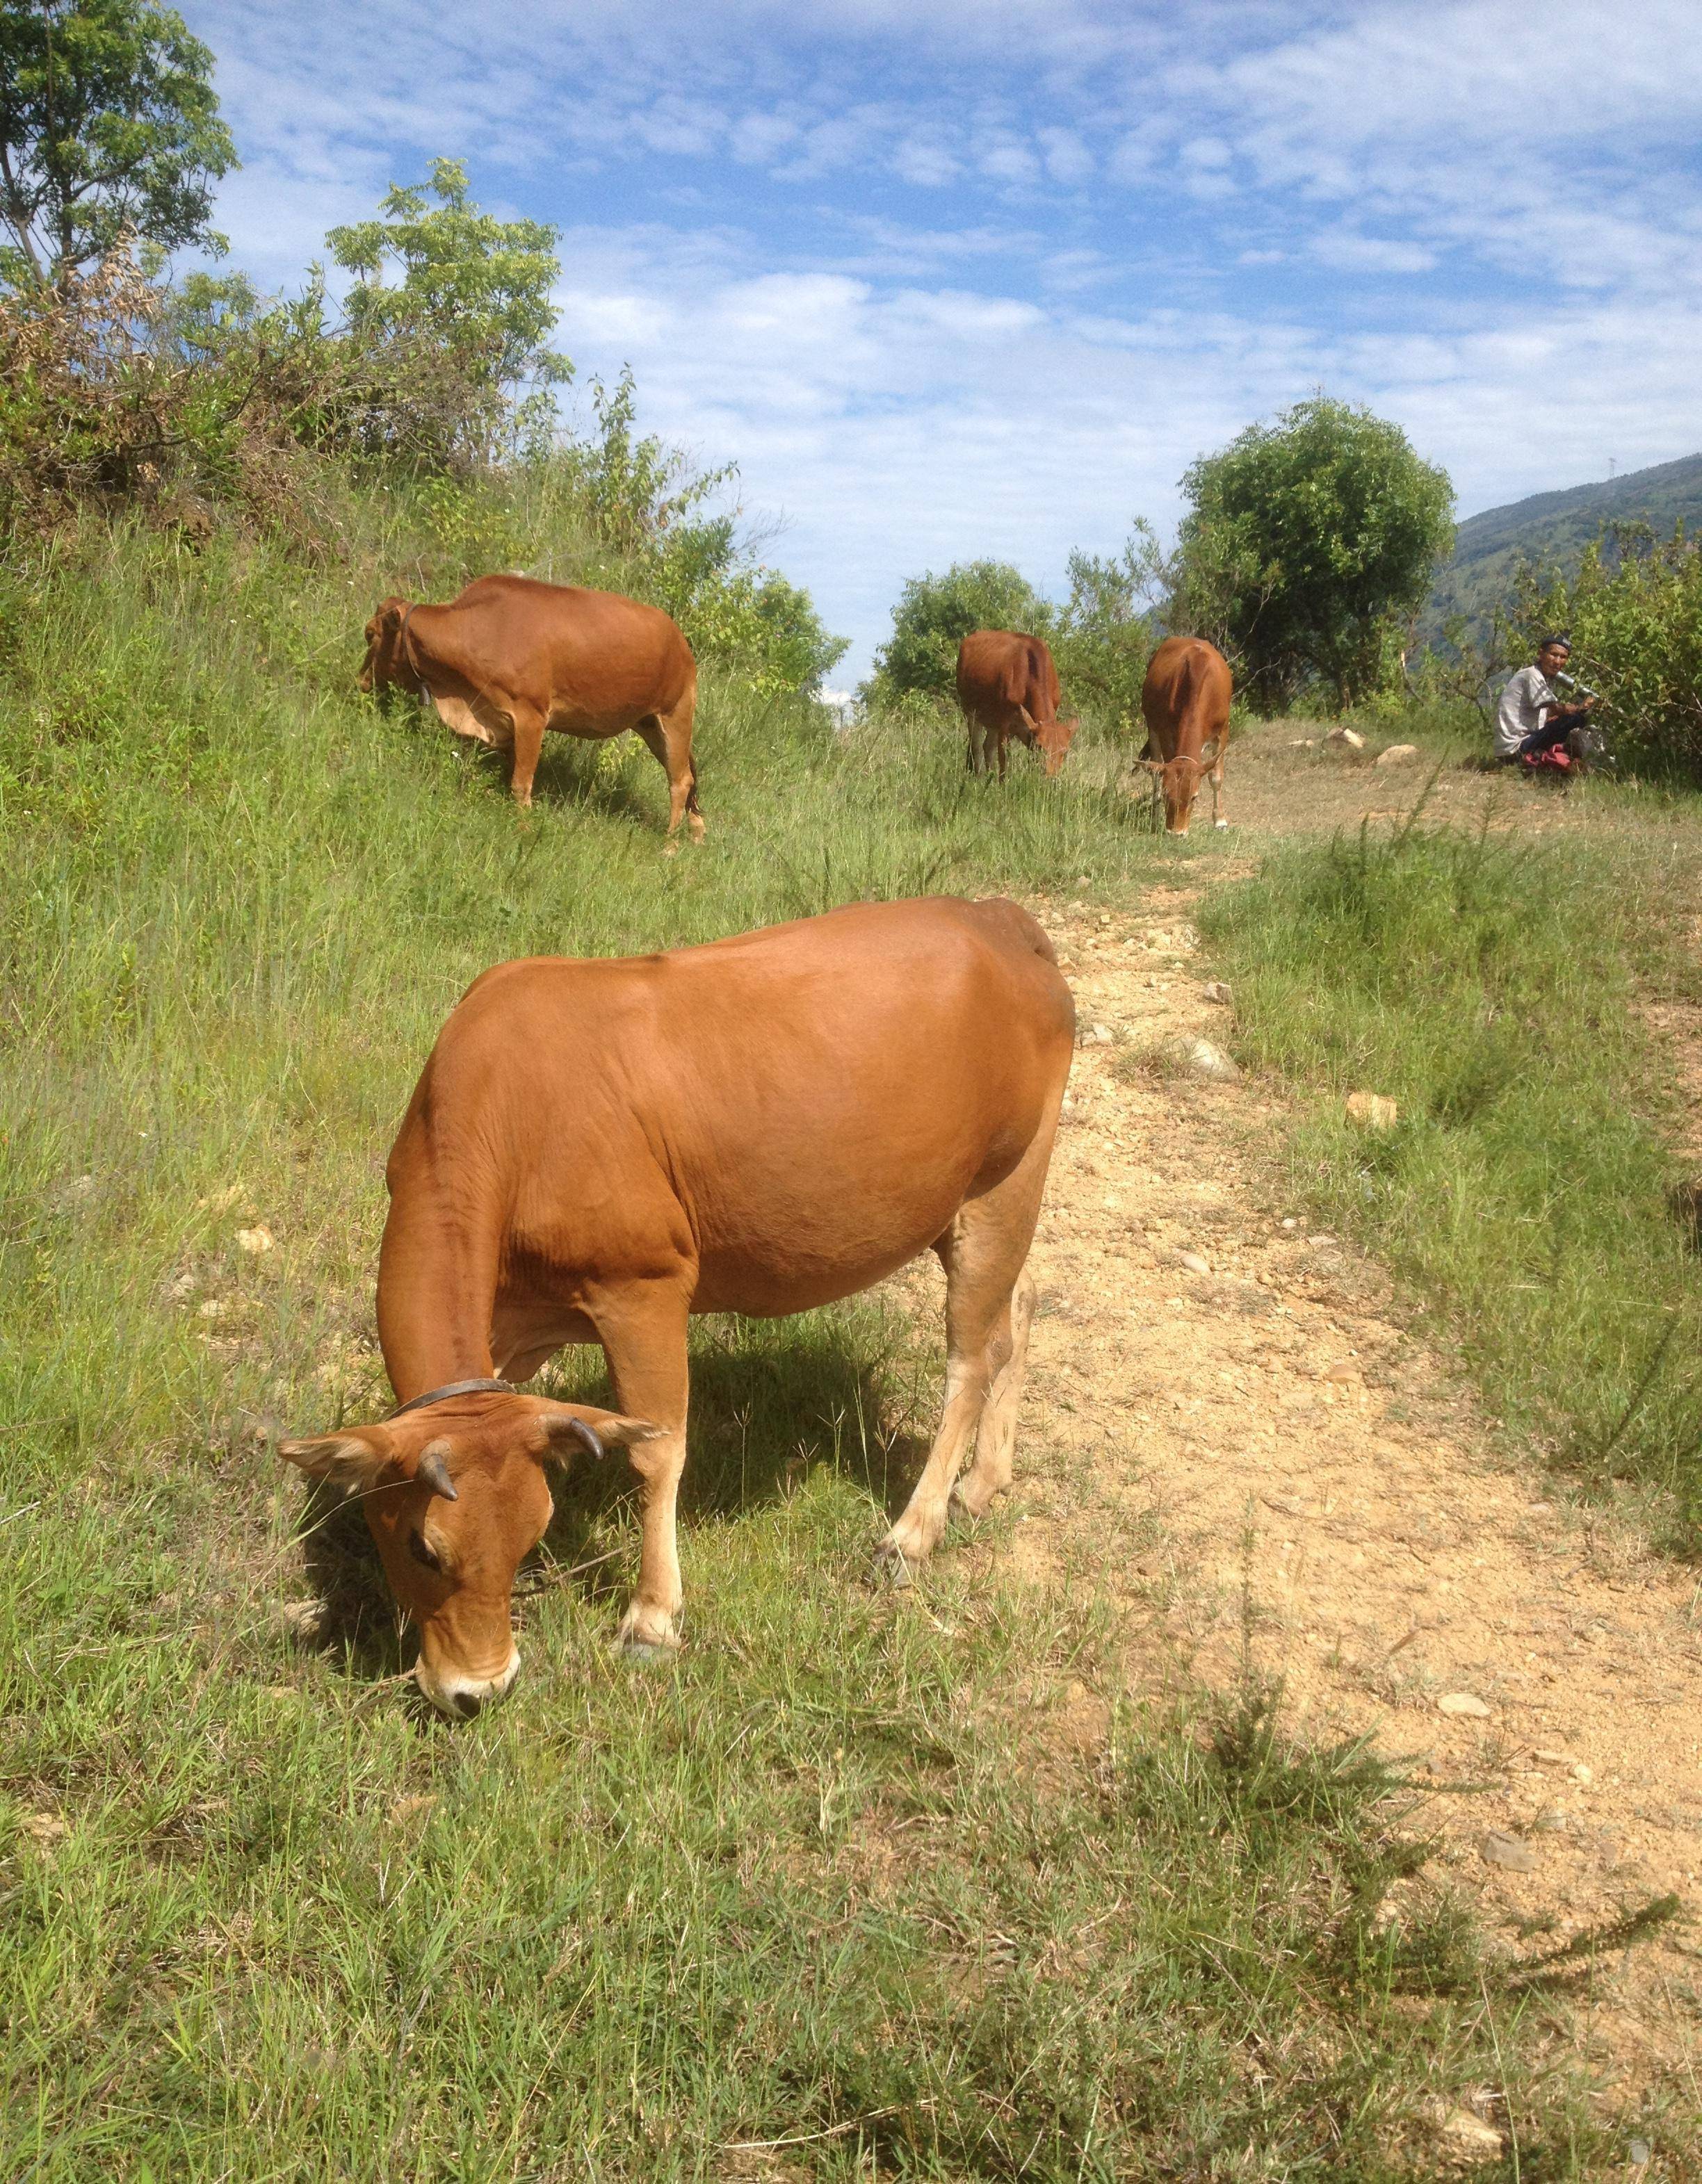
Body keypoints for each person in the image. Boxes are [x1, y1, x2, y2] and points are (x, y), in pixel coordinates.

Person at [1495, 635, 1595, 766]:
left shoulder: (1544, 677)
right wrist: (1582, 707)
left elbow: (1546, 712)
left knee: (1560, 721)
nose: (1558, 661)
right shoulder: (1532, 675)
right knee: (1575, 719)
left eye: (1563, 657)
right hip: (1515, 748)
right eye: (1553, 655)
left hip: (1516, 746)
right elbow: (1556, 708)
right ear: (1541, 654)